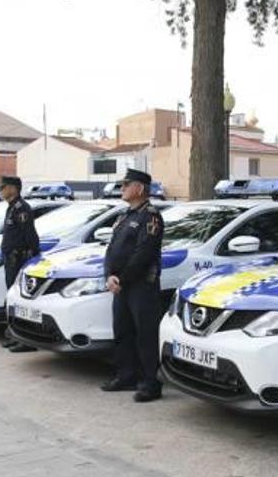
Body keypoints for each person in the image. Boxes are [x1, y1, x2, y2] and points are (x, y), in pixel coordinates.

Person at [101, 168, 165, 403]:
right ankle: (126, 375)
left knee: (146, 335)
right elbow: (111, 250)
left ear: (139, 188)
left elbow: (143, 254)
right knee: (122, 331)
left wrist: (122, 278)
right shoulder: (124, 217)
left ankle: (151, 383)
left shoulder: (151, 217)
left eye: (126, 185)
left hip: (141, 286)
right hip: (120, 285)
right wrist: (109, 275)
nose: (122, 189)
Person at [0, 176, 40, 353]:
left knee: (21, 301)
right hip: (11, 258)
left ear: (13, 189)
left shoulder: (22, 208)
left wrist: (32, 256)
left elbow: (29, 235)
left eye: (3, 187)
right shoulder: (12, 208)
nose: (0, 190)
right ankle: (15, 335)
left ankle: (27, 340)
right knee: (12, 299)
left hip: (19, 259)